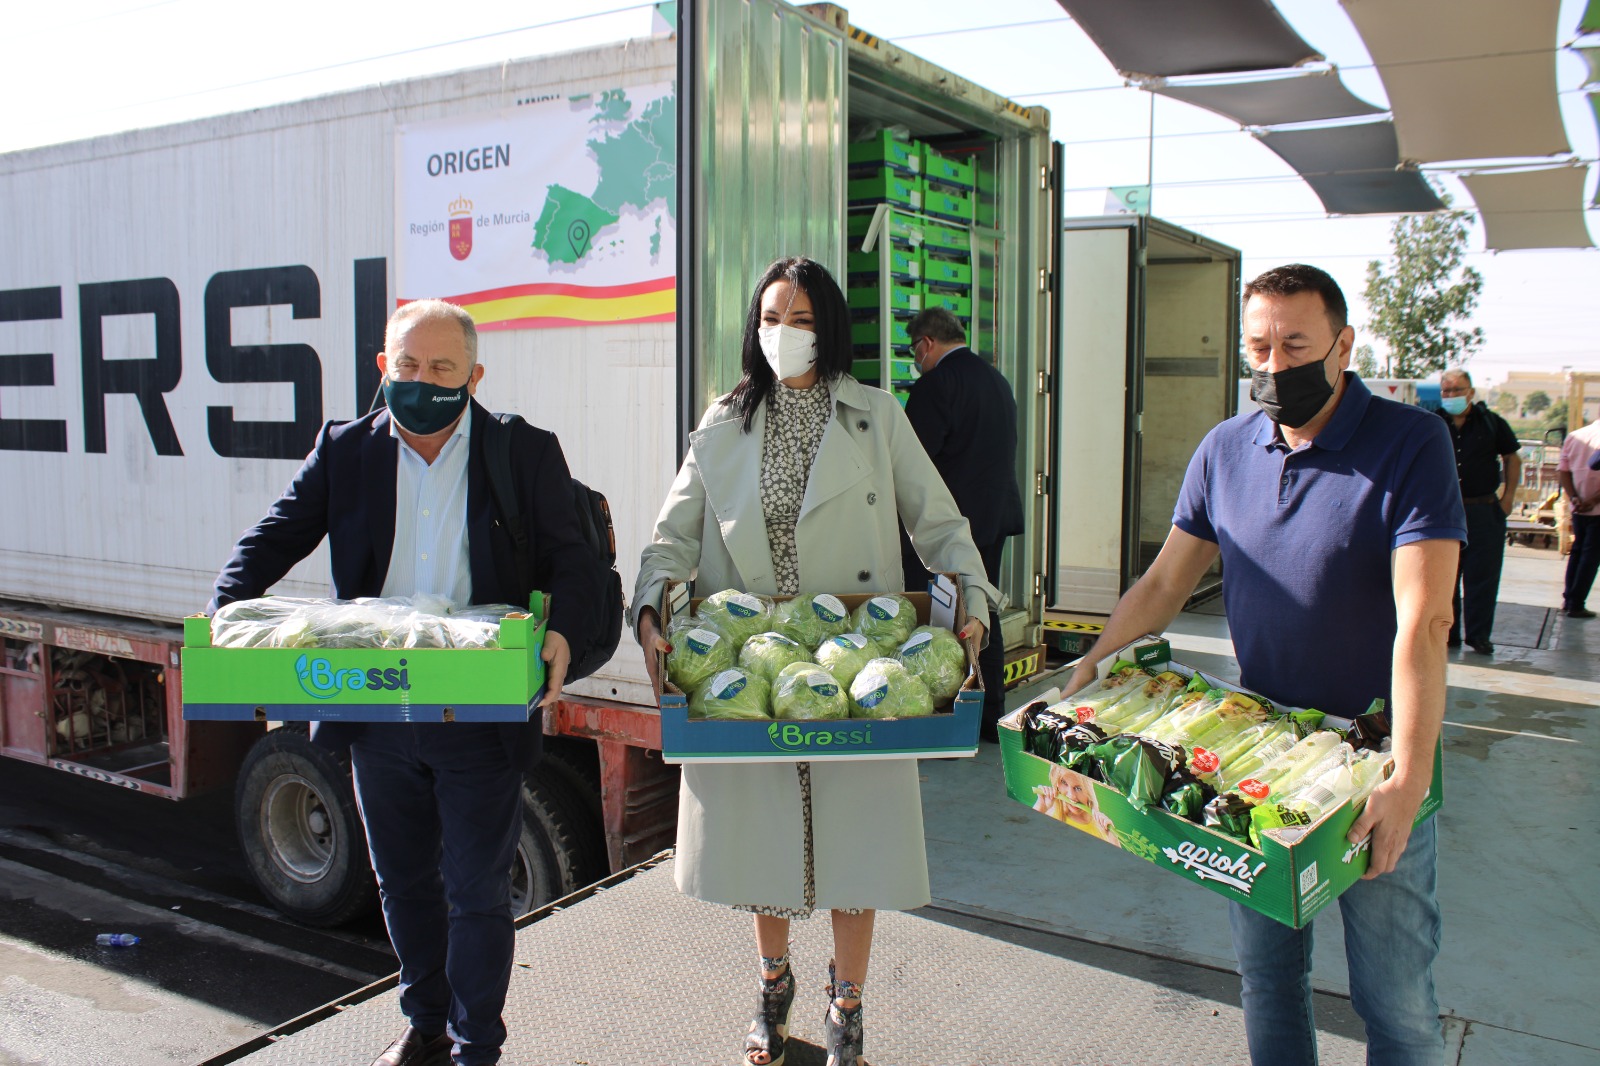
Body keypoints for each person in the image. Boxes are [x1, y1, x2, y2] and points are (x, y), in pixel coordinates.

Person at [1063, 265, 1464, 1065]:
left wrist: (1408, 781)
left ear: (1342, 346)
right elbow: (1165, 581)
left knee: (1397, 1004)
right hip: (1260, 754)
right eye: (1259, 347)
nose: (1275, 367)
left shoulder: (1410, 444)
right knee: (1269, 980)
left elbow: (1425, 620)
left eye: (1296, 345)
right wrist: (1094, 665)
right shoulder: (1225, 449)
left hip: (1370, 761)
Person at [210, 300, 604, 1066]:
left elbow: (575, 562)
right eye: (409, 366)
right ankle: (424, 1023)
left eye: (443, 369)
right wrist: (223, 614)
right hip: (375, 708)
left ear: (473, 376)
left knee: (477, 890)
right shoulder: (345, 451)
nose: (424, 382)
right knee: (401, 884)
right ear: (384, 367)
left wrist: (561, 634)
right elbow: (272, 537)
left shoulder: (519, 453)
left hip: (477, 706)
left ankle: (474, 1045)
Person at [633, 257, 999, 1066]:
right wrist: (654, 607)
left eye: (800, 321)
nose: (783, 335)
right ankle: (772, 989)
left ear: (828, 327)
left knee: (856, 851)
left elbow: (938, 521)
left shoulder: (875, 414)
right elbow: (671, 538)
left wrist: (969, 597)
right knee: (764, 847)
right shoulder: (723, 420)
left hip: (859, 660)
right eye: (770, 318)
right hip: (753, 661)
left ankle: (848, 1007)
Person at [900, 307, 1024, 741]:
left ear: (927, 344)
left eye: (915, 351)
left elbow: (913, 464)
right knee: (981, 609)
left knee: (945, 619)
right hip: (994, 516)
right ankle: (991, 712)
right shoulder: (996, 380)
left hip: (950, 527)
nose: (916, 360)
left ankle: (955, 714)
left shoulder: (936, 385)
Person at [1437, 368, 1521, 654]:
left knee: (1482, 577)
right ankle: (1449, 634)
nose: (1451, 396)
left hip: (1484, 511)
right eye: (1446, 391)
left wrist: (1507, 498)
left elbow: (1512, 457)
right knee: (1445, 576)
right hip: (1444, 512)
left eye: (1457, 390)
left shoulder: (1491, 423)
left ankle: (1479, 635)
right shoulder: (1432, 423)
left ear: (1470, 393)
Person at [1557, 412, 1600, 619]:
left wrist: (1574, 497)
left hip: (1578, 506)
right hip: (1596, 508)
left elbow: (1563, 471)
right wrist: (1593, 500)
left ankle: (1568, 599)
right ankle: (1577, 603)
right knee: (1591, 556)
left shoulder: (1575, 436)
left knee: (1577, 551)